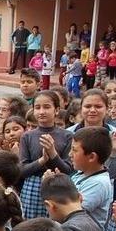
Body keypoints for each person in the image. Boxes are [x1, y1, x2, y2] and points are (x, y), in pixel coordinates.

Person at [19, 91, 73, 219]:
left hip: (58, 186)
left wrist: (53, 153)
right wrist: (42, 160)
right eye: (37, 108)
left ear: (57, 110)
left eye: (47, 107)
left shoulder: (67, 136)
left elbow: (68, 170)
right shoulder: (27, 136)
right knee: (32, 226)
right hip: (33, 187)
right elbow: (22, 170)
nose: (41, 111)